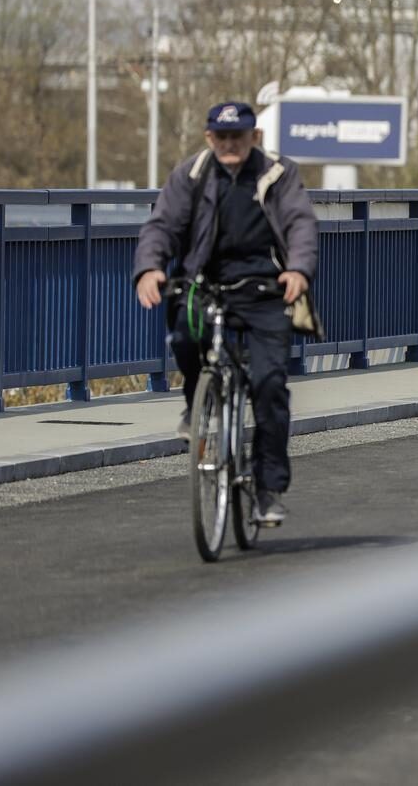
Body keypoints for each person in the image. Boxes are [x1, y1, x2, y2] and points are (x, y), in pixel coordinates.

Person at [132, 102, 319, 526]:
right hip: (206, 285)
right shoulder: (193, 174)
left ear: (254, 137)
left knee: (270, 386)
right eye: (222, 137)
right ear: (209, 138)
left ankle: (267, 489)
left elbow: (300, 224)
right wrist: (149, 267)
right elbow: (162, 226)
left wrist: (298, 269)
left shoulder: (277, 172)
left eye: (239, 136)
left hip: (266, 290)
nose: (230, 144)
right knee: (183, 333)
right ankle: (197, 400)